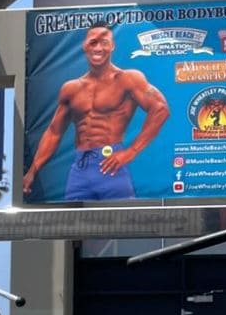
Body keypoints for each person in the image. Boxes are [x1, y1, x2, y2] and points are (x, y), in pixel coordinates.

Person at [22, 23, 169, 201]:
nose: (98, 48)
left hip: (111, 164)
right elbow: (54, 132)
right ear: (84, 46)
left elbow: (160, 109)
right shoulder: (71, 89)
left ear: (112, 46)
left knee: (123, 218)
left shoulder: (127, 79)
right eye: (93, 42)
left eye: (104, 42)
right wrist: (32, 171)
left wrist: (131, 151)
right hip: (80, 169)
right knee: (73, 218)